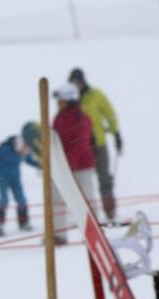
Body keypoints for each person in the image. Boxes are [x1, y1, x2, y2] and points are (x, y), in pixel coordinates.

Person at [69, 67, 121, 221]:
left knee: (104, 177)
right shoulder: (70, 100)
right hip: (80, 147)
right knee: (82, 181)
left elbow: (109, 113)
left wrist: (116, 132)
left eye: (78, 82)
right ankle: (84, 214)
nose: (76, 85)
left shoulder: (96, 95)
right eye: (73, 83)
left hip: (98, 144)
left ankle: (109, 210)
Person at [52, 83, 97, 244]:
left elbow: (81, 144)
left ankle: (93, 234)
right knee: (56, 200)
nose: (58, 104)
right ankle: (59, 235)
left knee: (86, 200)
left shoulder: (82, 119)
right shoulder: (58, 118)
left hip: (82, 166)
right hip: (63, 167)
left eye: (61, 100)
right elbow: (55, 141)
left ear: (70, 100)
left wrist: (66, 161)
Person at [0, 130, 40, 236]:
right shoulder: (5, 148)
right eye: (20, 152)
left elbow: (28, 159)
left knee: (21, 199)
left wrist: (39, 164)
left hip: (15, 178)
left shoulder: (23, 148)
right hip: (2, 178)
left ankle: (23, 222)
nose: (21, 154)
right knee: (3, 200)